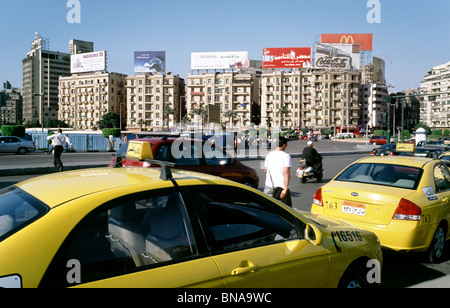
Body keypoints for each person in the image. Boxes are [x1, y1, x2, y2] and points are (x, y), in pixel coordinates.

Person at [264, 136, 292, 207]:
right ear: (284, 145)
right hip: (281, 186)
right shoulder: (286, 156)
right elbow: (286, 172)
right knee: (288, 211)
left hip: (269, 186)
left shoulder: (268, 155)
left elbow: (265, 170)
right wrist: (285, 188)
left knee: (269, 210)